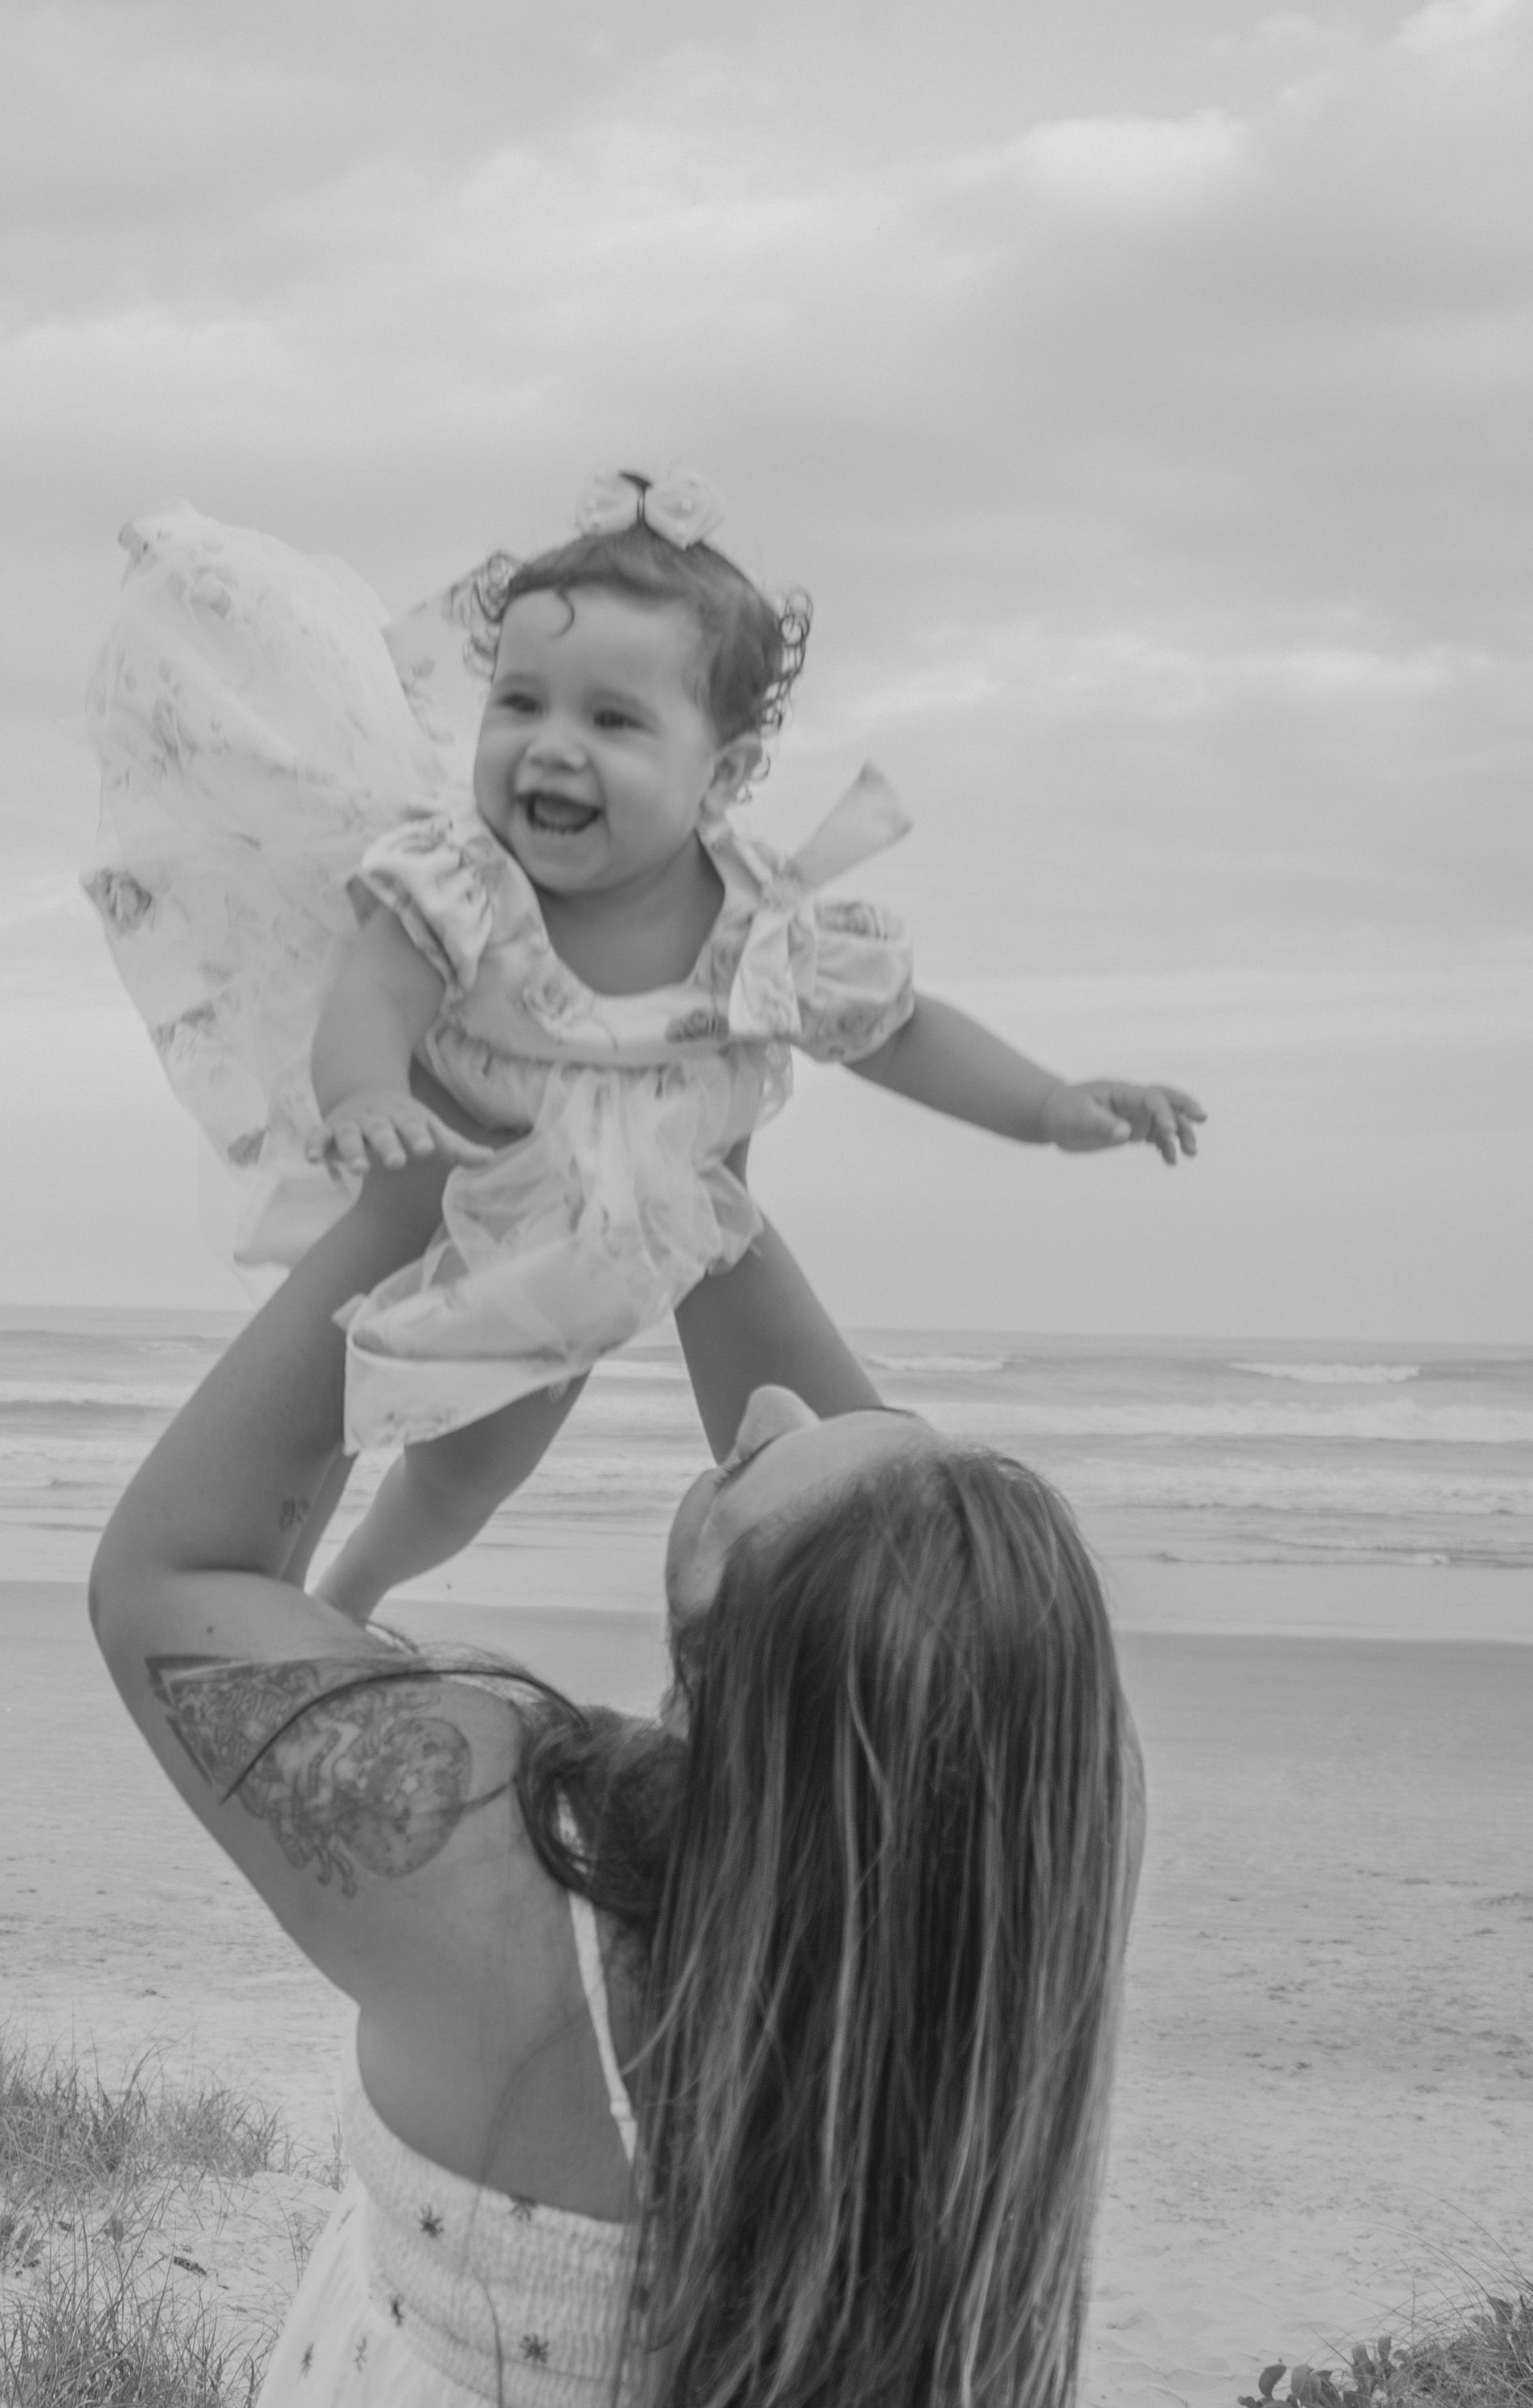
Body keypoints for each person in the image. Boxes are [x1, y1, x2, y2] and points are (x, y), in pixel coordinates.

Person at [88, 1150, 1146, 2408]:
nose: (764, 1406)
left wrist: (414, 1201)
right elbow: (883, 1562)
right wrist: (678, 1149)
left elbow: (169, 1577)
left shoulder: (518, 1895)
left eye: (752, 1460)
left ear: (748, 1685)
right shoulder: (988, 1917)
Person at [87, 469, 1203, 1620]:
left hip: (686, 1204)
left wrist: (1052, 1106)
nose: (551, 747)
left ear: (720, 774)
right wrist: (366, 1090)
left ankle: (870, 1624)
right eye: (520, 703)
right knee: (466, 1465)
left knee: (830, 1449)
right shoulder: (469, 881)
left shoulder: (761, 919)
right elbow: (372, 991)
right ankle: (357, 1587)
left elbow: (897, 1031)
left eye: (612, 720)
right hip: (501, 1213)